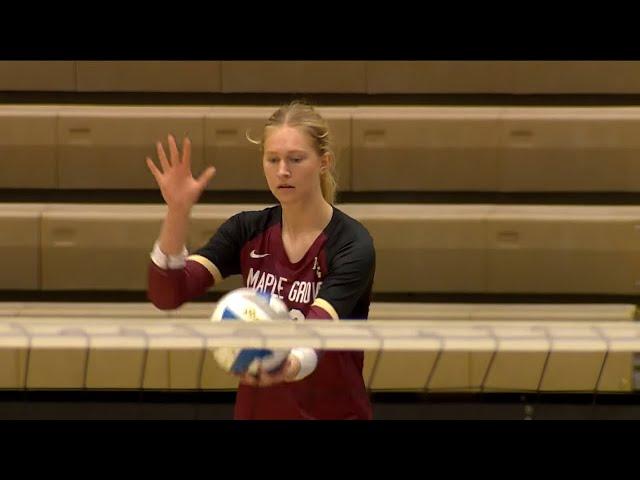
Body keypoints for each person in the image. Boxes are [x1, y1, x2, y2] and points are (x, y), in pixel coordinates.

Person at [146, 101, 375, 420]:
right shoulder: (246, 230)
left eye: (296, 159)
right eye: (273, 159)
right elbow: (167, 294)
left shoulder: (351, 243)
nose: (283, 170)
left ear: (324, 162)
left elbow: (316, 332)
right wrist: (177, 211)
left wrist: (286, 365)